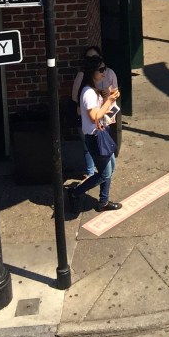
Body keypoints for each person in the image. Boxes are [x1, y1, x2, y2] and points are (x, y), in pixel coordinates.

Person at [67, 56, 122, 213]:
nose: (105, 72)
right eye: (101, 70)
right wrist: (109, 100)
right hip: (95, 137)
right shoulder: (88, 93)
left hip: (101, 132)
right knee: (104, 174)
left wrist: (107, 98)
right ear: (92, 72)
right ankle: (76, 192)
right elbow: (94, 116)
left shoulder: (93, 89)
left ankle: (103, 201)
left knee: (110, 168)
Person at [71, 46, 119, 177]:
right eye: (89, 58)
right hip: (90, 125)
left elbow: (114, 91)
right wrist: (100, 99)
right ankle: (91, 175)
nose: (92, 60)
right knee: (103, 168)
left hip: (103, 122)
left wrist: (108, 96)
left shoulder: (109, 73)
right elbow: (77, 98)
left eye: (95, 57)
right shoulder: (86, 85)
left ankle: (99, 179)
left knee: (108, 163)